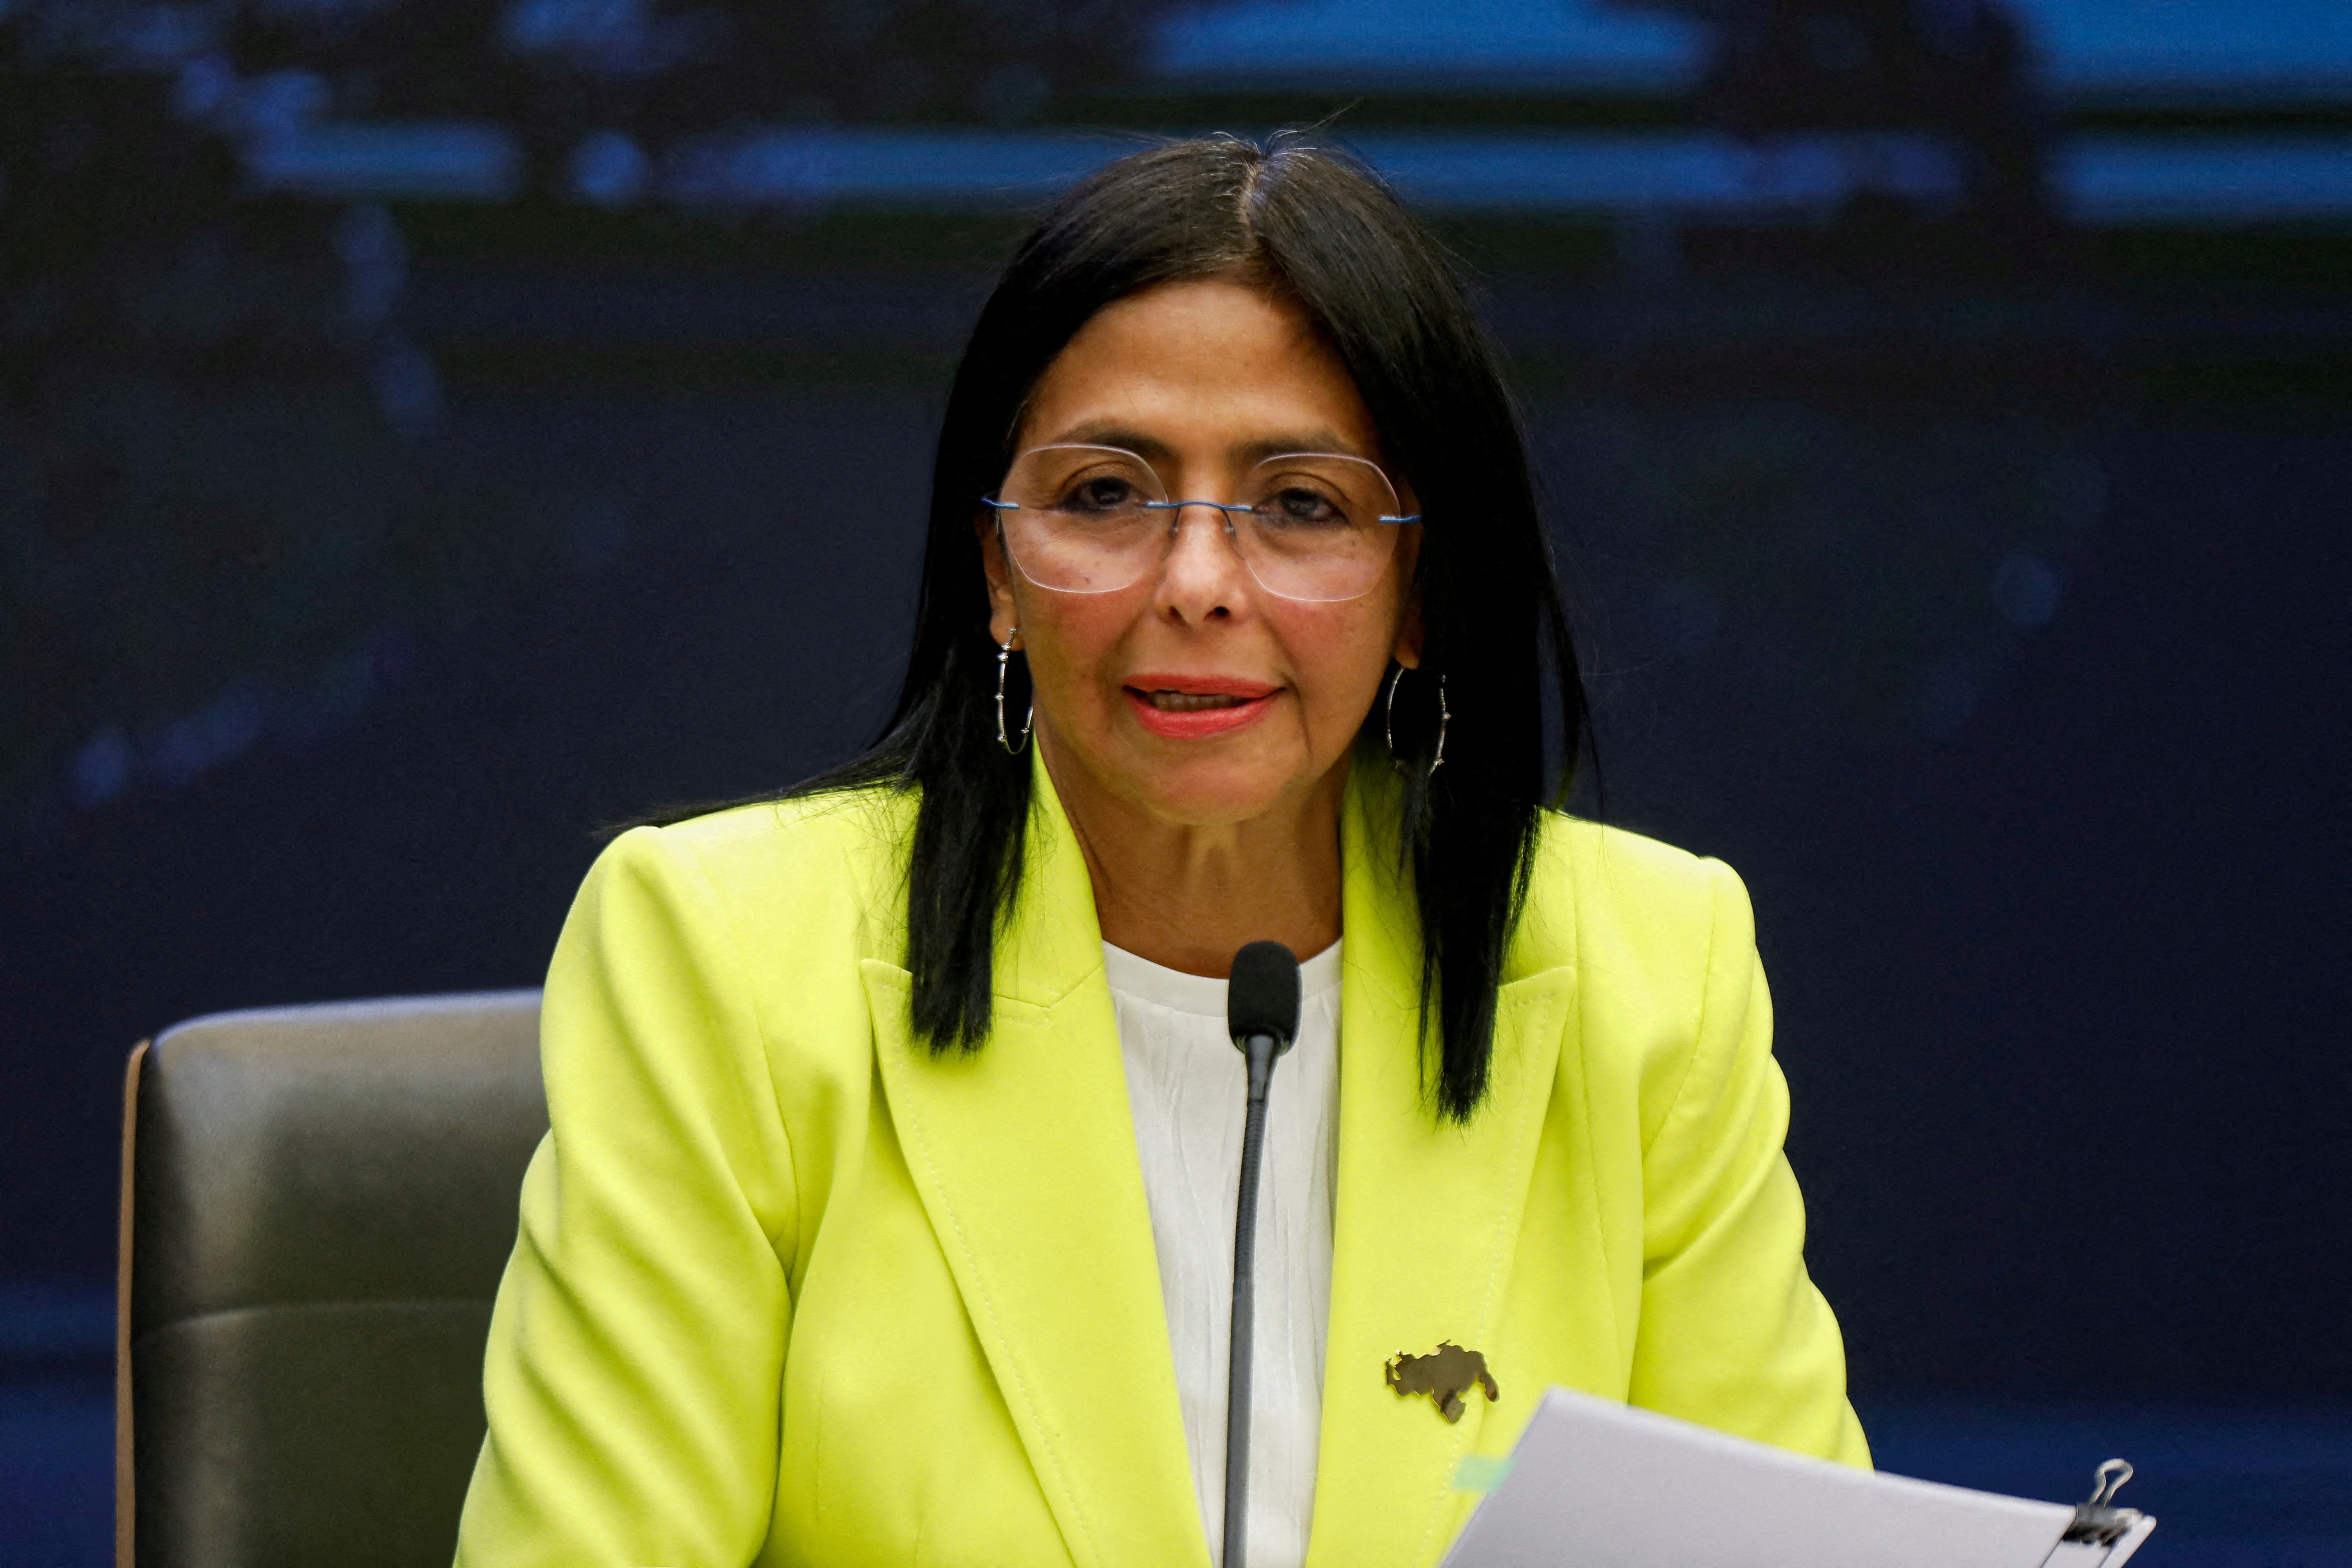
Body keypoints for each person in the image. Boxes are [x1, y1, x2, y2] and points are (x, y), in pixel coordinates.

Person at [453, 134, 1868, 1568]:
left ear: (1421, 587)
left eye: (1301, 506)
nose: (1196, 584)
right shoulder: (729, 954)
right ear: (996, 571)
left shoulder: (1646, 967)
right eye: (1105, 496)